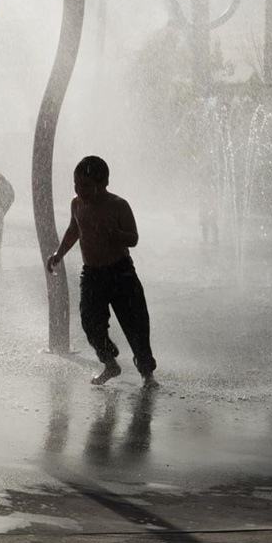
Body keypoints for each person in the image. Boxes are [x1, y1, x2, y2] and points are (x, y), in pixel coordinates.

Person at [46, 155, 158, 388]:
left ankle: (147, 375)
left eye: (85, 185)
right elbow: (73, 230)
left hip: (121, 273)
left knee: (136, 325)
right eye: (76, 184)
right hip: (93, 274)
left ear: (103, 183)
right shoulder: (77, 204)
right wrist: (58, 254)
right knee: (89, 321)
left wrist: (115, 233)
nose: (79, 189)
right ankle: (110, 363)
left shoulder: (118, 205)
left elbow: (134, 238)